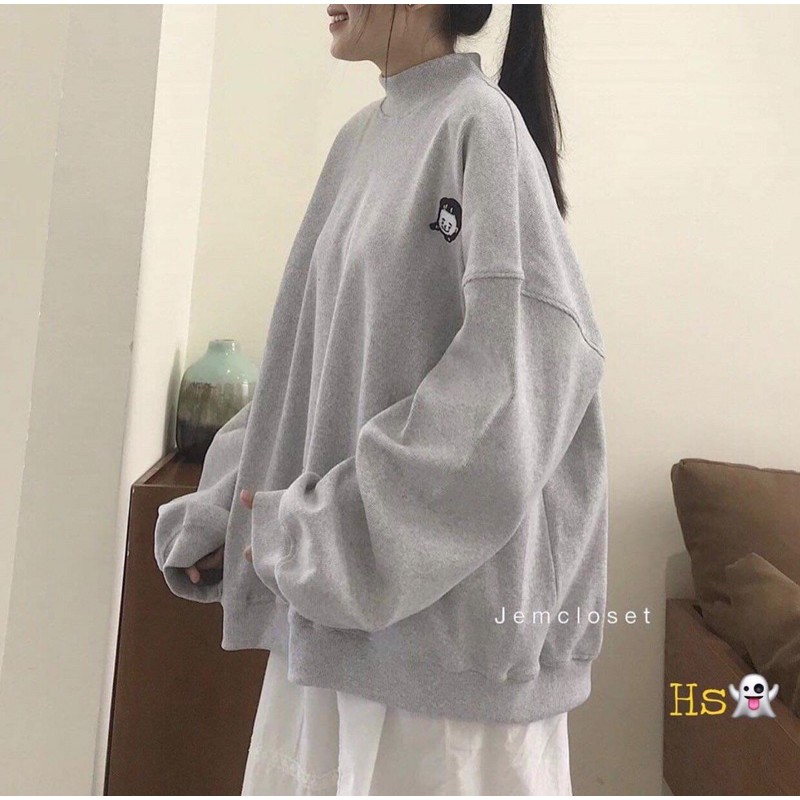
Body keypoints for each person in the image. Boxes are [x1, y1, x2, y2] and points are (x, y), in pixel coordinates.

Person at [154, 4, 608, 795]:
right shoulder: (360, 140)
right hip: (335, 628)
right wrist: (235, 507)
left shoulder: (480, 127)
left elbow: (517, 380)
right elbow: (308, 364)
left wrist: (322, 534)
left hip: (444, 662)